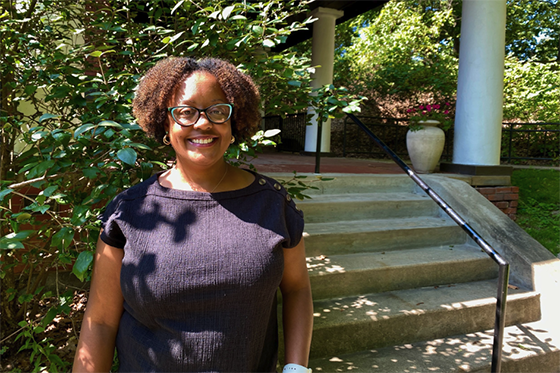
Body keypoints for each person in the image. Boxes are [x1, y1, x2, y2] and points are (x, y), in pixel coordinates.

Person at [72, 57, 313, 373]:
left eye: (217, 111)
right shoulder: (130, 211)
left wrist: (296, 368)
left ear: (234, 122)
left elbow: (297, 289)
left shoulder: (272, 204)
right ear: (165, 124)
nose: (202, 123)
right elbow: (101, 321)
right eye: (185, 112)